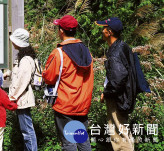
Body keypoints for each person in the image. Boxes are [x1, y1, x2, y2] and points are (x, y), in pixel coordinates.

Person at [42, 15, 94, 151]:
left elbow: (49, 78)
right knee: (82, 139)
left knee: (69, 142)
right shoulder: (86, 51)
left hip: (65, 104)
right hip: (82, 103)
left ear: (61, 31)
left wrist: (43, 72)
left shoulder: (59, 53)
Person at [96, 17, 136, 151]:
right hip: (124, 95)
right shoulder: (122, 46)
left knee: (119, 134)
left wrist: (106, 92)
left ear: (109, 32)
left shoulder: (115, 53)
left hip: (117, 98)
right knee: (123, 131)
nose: (102, 31)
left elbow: (118, 79)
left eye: (104, 28)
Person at [4, 28, 38, 151]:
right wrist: (9, 73)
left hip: (22, 99)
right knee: (26, 130)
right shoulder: (25, 58)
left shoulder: (25, 60)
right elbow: (19, 76)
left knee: (27, 130)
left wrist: (12, 97)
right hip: (22, 98)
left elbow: (22, 81)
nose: (12, 43)